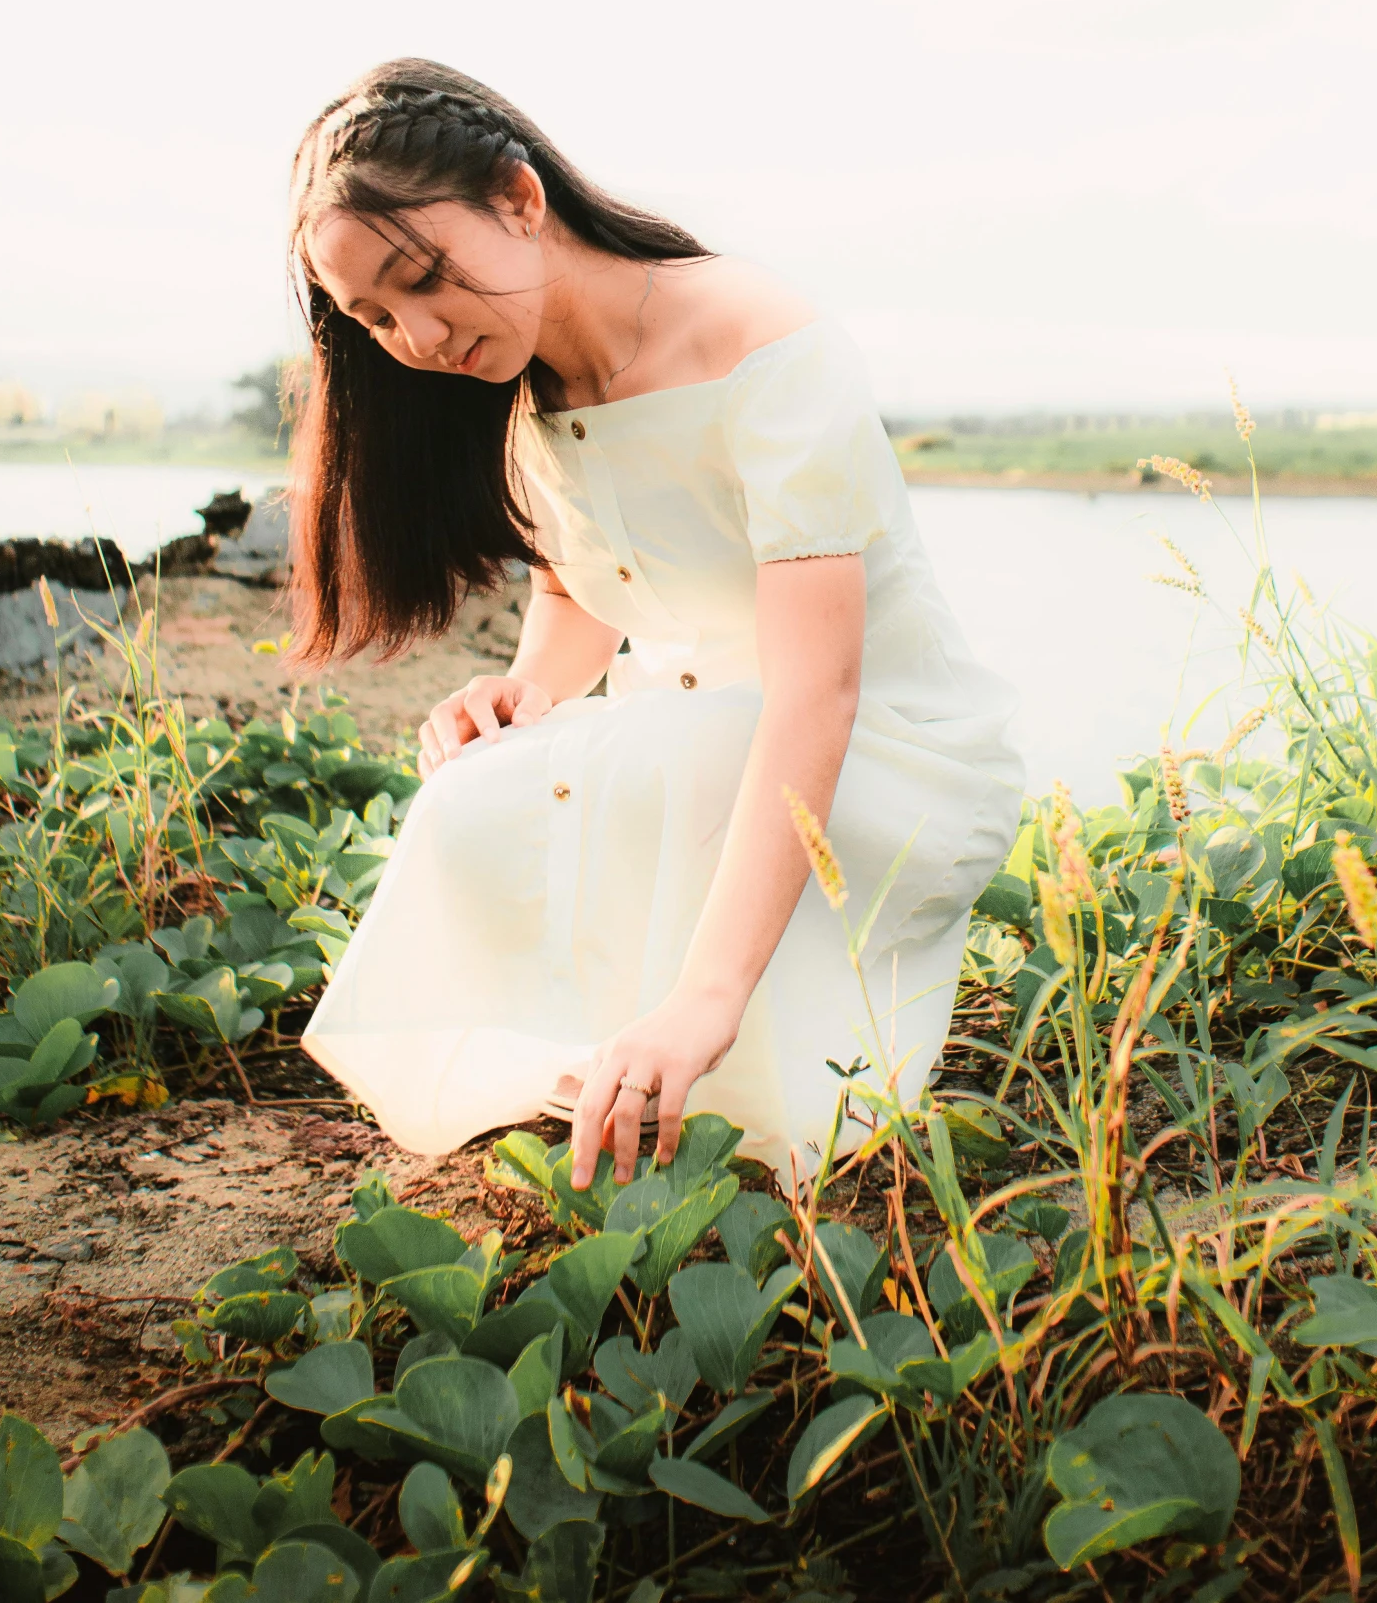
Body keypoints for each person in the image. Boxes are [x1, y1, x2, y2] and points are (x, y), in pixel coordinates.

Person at [290, 59, 1022, 1187]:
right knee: (467, 797)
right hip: (697, 731)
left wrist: (705, 996)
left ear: (518, 199)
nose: (418, 336)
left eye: (423, 277)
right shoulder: (519, 381)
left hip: (869, 746)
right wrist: (526, 693)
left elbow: (815, 691)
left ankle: (709, 1039)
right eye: (375, 316)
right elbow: (581, 585)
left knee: (702, 751)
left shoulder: (761, 344)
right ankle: (604, 1062)